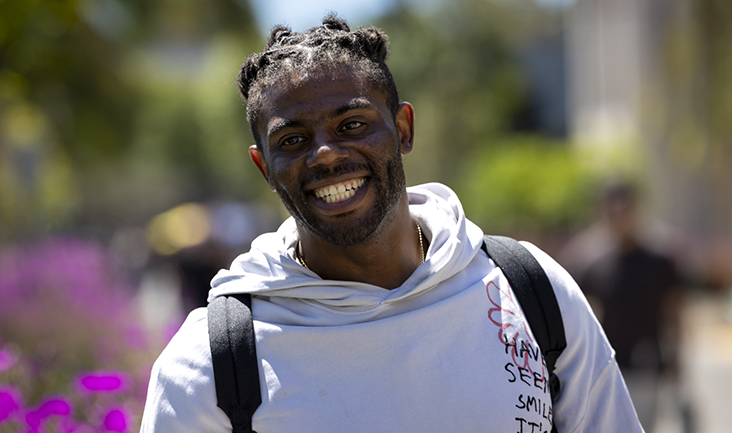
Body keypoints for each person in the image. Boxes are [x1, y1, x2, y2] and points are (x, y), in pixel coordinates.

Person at [140, 17, 643, 432]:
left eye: (352, 125)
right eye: (292, 140)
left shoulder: (531, 290)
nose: (325, 153)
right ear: (264, 168)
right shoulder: (210, 365)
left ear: (403, 128)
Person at [562, 181, 684, 431]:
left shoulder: (658, 261)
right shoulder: (593, 263)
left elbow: (673, 311)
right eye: (614, 213)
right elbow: (576, 314)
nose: (620, 219)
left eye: (625, 211)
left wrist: (677, 358)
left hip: (647, 364)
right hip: (609, 367)